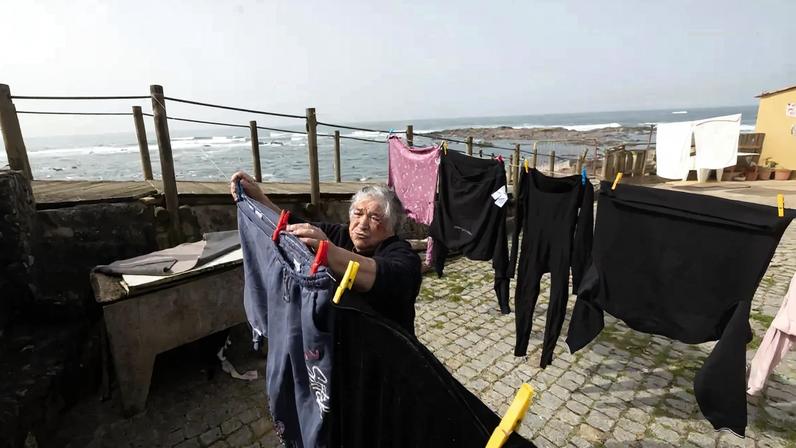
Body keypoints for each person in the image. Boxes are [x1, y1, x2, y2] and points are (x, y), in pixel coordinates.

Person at [230, 171, 422, 334]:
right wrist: (258, 198)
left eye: (374, 218)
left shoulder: (403, 255)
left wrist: (328, 252)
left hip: (389, 351)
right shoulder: (340, 234)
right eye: (358, 214)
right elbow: (292, 226)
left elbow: (382, 273)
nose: (362, 224)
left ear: (392, 226)